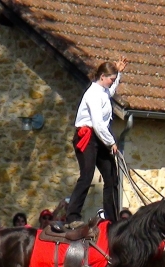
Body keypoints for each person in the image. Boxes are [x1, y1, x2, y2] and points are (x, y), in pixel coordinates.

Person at [65, 57, 128, 224]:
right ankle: (72, 216)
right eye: (111, 79)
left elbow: (111, 91)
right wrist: (111, 142)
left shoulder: (103, 91)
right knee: (87, 175)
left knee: (111, 175)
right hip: (88, 136)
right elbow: (98, 123)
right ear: (102, 76)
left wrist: (119, 73)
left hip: (99, 137)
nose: (112, 82)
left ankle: (111, 218)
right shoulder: (92, 94)